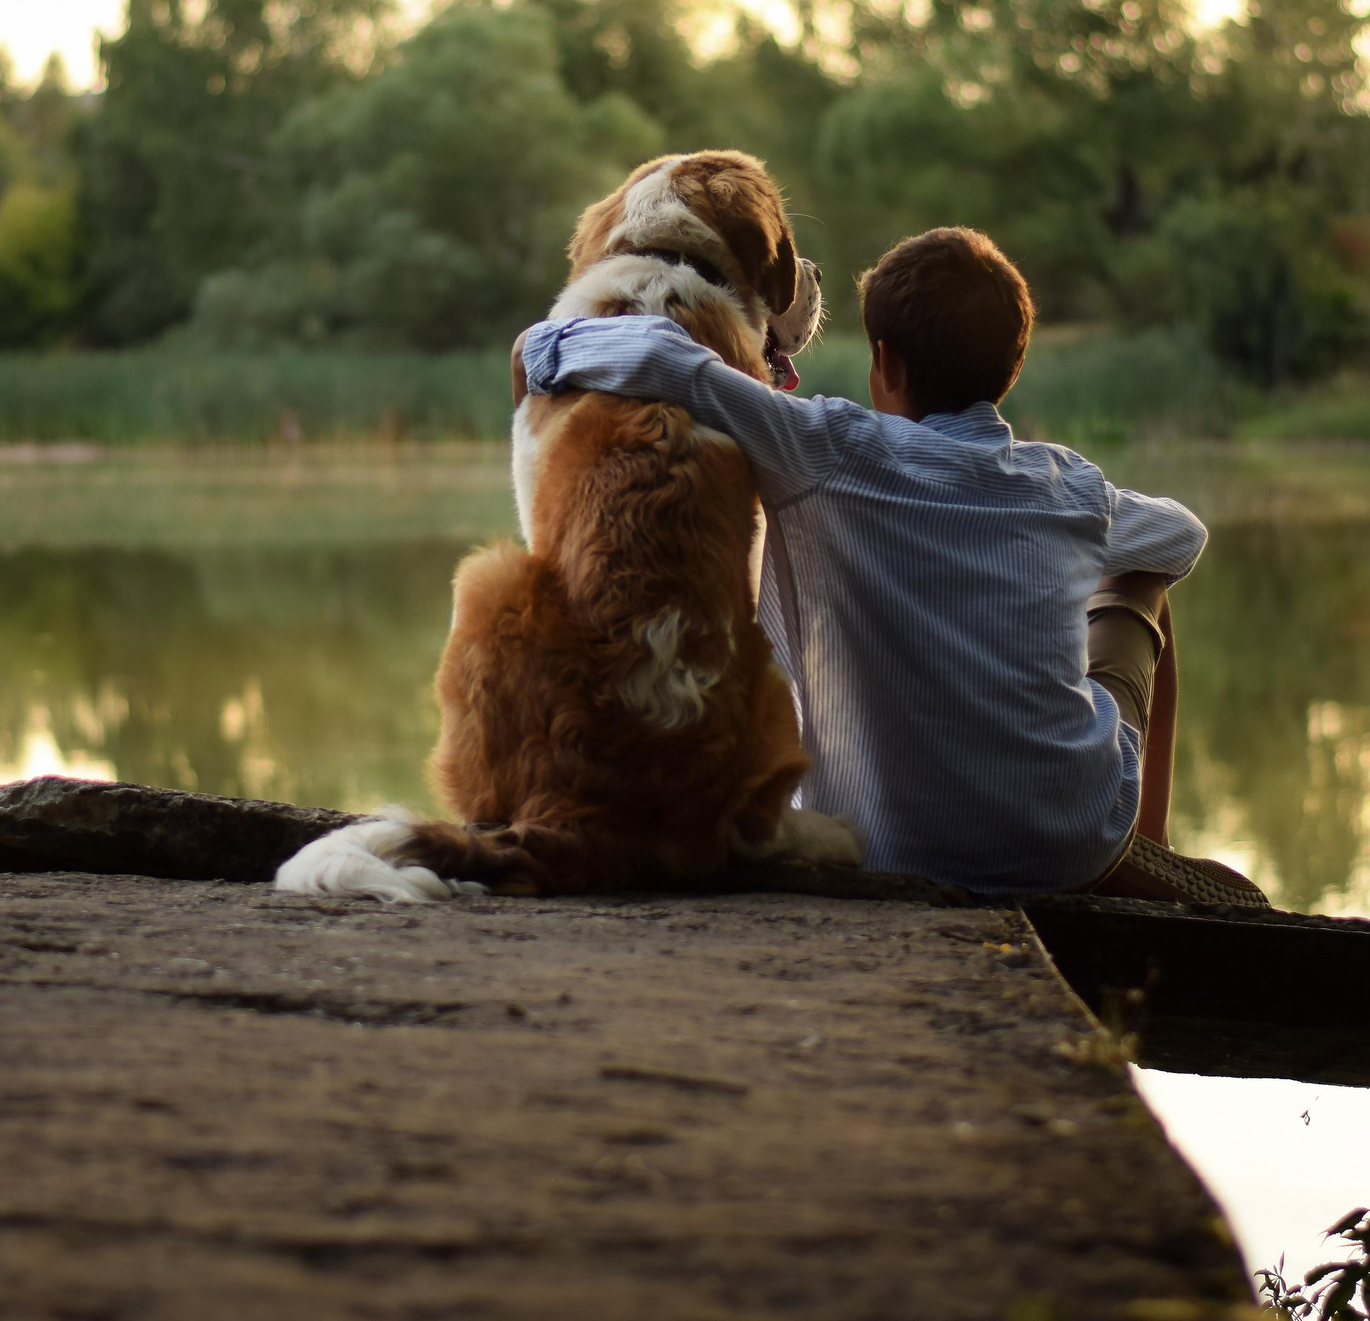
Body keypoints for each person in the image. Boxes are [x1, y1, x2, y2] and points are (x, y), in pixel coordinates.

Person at [512, 225, 1264, 905]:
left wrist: (538, 350)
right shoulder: (1068, 486)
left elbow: (663, 359)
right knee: (1141, 581)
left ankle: (1144, 843)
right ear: (1015, 362)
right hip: (1072, 843)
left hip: (884, 851)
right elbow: (1181, 537)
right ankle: (1151, 845)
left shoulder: (826, 450)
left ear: (886, 363)